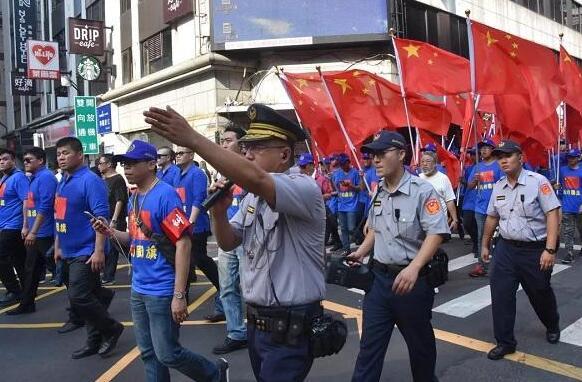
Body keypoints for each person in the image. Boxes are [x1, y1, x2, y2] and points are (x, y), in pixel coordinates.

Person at [144, 103, 326, 382]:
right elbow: (229, 241)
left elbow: (256, 177)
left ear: (285, 154)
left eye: (258, 148)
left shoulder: (303, 188)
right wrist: (218, 211)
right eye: (246, 148)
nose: (248, 154)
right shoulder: (253, 197)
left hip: (291, 324)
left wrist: (192, 138)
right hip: (258, 322)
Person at [92, 140, 229, 382]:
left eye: (133, 163)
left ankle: (213, 373)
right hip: (139, 288)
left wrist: (179, 295)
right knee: (148, 354)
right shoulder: (134, 198)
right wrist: (110, 232)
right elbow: (134, 238)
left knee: (168, 353)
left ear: (152, 164)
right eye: (125, 163)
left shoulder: (165, 195)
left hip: (162, 290)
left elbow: (183, 243)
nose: (127, 168)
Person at [347, 131, 450, 382]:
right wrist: (361, 251)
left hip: (411, 284)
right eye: (373, 156)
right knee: (369, 349)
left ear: (402, 154)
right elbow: (375, 228)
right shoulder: (379, 190)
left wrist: (414, 267)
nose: (376, 160)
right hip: (379, 283)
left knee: (420, 347)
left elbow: (436, 233)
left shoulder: (422, 191)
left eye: (382, 154)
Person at [481, 140, 561, 360]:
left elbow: (552, 214)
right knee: (501, 295)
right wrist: (485, 243)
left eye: (508, 155)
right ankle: (505, 342)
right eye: (500, 157)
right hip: (505, 249)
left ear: (521, 158)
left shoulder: (538, 182)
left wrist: (550, 249)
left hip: (534, 251)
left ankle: (552, 323)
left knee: (540, 293)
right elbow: (492, 216)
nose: (503, 160)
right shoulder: (498, 186)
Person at [54, 137, 123, 359]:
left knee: (79, 296)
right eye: (58, 154)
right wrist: (58, 246)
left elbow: (100, 218)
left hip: (86, 250)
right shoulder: (64, 180)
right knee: (88, 295)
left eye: (65, 153)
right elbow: (60, 216)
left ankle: (112, 328)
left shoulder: (90, 181)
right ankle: (94, 340)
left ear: (80, 155)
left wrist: (99, 250)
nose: (61, 157)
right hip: (68, 249)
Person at [175, 145, 224, 321]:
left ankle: (223, 288)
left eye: (181, 153)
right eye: (176, 154)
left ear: (191, 155)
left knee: (200, 259)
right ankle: (183, 296)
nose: (178, 156)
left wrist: (192, 222)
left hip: (196, 226)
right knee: (186, 261)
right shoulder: (178, 175)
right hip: (182, 224)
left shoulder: (196, 174)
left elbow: (199, 199)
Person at [7, 147, 57, 315]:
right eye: (24, 160)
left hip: (45, 233)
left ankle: (95, 298)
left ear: (41, 160)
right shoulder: (33, 179)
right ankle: (27, 304)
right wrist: (26, 226)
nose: (25, 163)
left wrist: (33, 231)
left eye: (29, 160)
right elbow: (28, 204)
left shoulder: (46, 177)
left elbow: (45, 205)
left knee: (61, 270)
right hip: (34, 232)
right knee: (31, 270)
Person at [213, 124, 248, 355]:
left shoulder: (250, 170)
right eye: (222, 141)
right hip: (227, 237)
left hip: (247, 238)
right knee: (226, 288)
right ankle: (236, 332)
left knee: (251, 287)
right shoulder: (221, 172)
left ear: (241, 144)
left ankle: (258, 331)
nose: (224, 144)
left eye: (228, 140)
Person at [466, 139, 503, 277]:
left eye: (487, 148)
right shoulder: (477, 167)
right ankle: (482, 265)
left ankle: (499, 265)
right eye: (481, 148)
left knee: (498, 238)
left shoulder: (498, 166)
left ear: (493, 150)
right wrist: (474, 181)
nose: (483, 150)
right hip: (480, 208)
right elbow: (470, 186)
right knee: (483, 237)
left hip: (496, 208)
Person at [0, 148, 29, 307]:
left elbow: (26, 201)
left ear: (13, 160)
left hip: (14, 225)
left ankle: (14, 290)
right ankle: (27, 289)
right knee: (18, 258)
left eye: (5, 159)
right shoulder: (4, 178)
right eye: (0, 160)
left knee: (2, 256)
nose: (2, 162)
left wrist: (25, 225)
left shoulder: (18, 178)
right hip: (4, 225)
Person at [97, 154, 128, 284]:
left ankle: (109, 276)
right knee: (110, 247)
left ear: (109, 164)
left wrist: (114, 220)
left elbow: (119, 200)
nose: (98, 166)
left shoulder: (117, 179)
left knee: (114, 247)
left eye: (101, 163)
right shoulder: (102, 179)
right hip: (105, 218)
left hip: (114, 219)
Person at [419, 150, 458, 232]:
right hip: (421, 221)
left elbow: (449, 200)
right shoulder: (418, 178)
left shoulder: (443, 178)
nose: (424, 164)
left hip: (439, 221)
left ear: (435, 163)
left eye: (428, 161)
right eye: (422, 161)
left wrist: (455, 219)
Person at [556, 149, 582, 264]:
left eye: (573, 157)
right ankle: (569, 253)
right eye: (569, 157)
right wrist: (556, 187)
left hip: (580, 206)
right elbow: (559, 185)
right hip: (567, 206)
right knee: (568, 231)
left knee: (581, 229)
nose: (571, 159)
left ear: (578, 158)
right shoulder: (562, 170)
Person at [334, 153, 361, 250]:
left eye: (343, 163)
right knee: (344, 229)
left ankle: (361, 237)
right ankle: (346, 249)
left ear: (348, 162)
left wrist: (351, 185)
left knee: (351, 228)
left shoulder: (355, 173)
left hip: (352, 205)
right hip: (341, 205)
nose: (341, 166)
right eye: (340, 164)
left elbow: (359, 188)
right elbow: (336, 187)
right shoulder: (337, 173)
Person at [461, 149, 479, 256]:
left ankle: (478, 245)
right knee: (467, 223)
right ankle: (475, 240)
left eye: (474, 154)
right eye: (471, 154)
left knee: (478, 225)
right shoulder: (469, 168)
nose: (472, 156)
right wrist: (462, 180)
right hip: (469, 201)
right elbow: (469, 184)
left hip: (481, 201)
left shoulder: (486, 166)